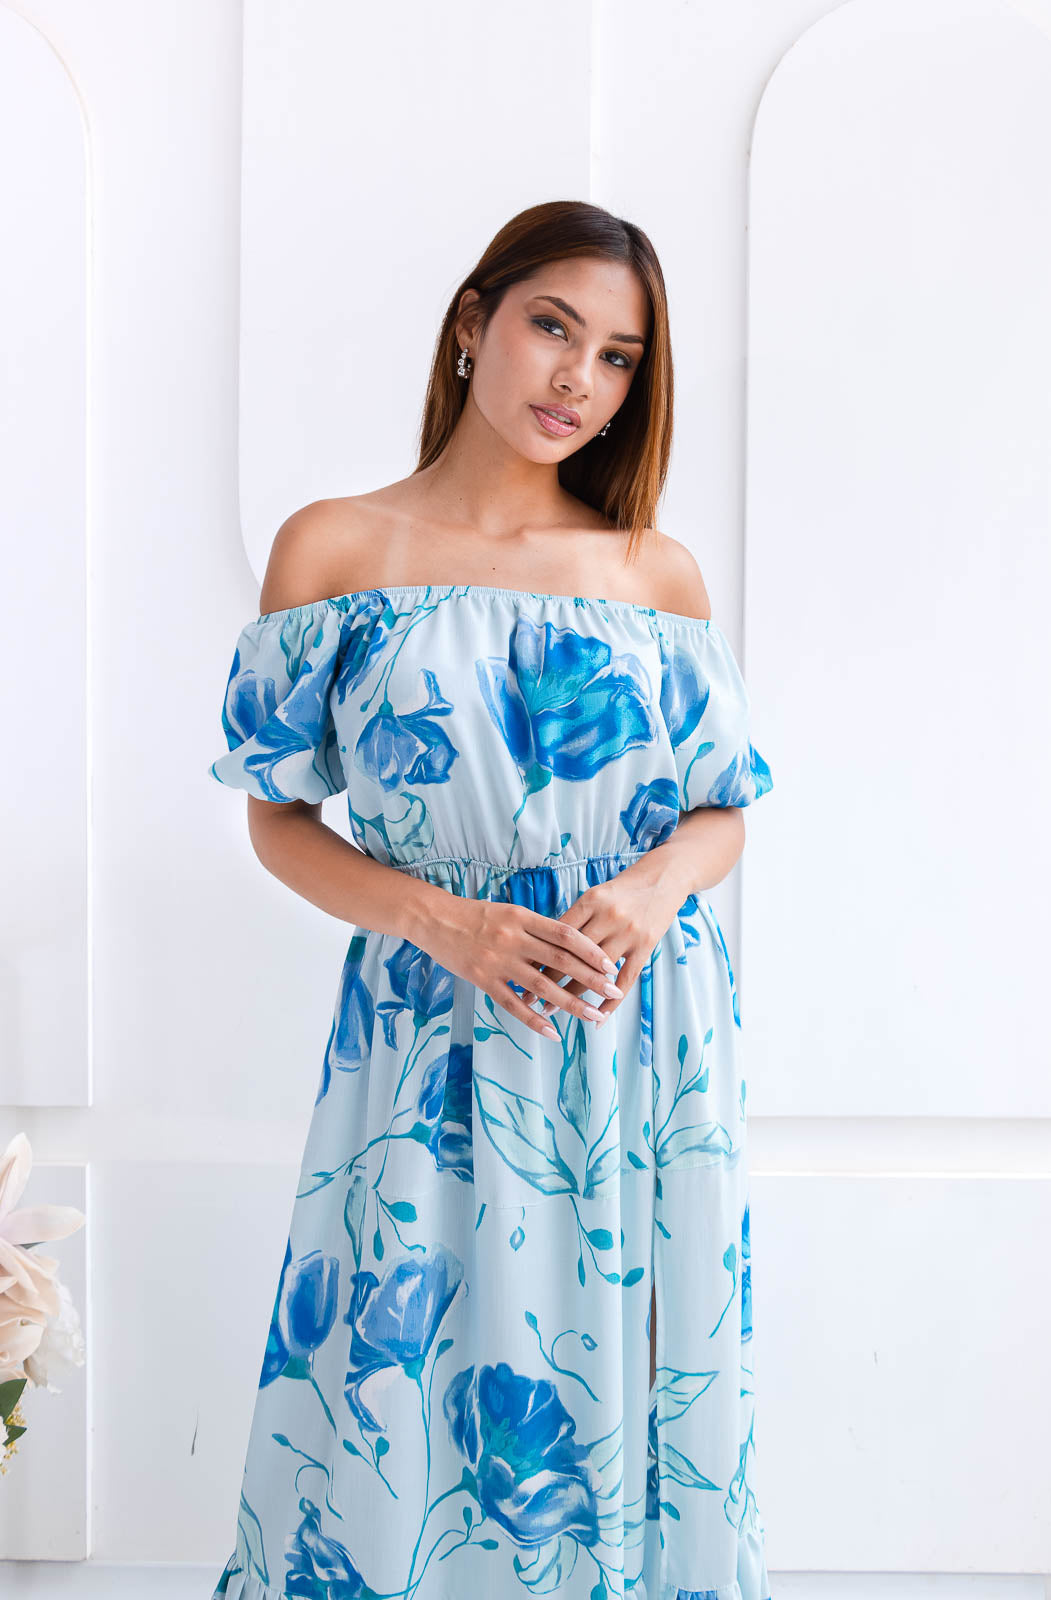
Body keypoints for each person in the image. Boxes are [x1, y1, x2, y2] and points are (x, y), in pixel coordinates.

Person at [208, 199, 774, 1600]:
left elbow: (723, 807)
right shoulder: (336, 550)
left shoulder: (651, 572)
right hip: (426, 1022)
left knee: (626, 1378)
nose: (579, 378)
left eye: (620, 357)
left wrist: (652, 887)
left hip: (638, 1033)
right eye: (553, 327)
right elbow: (276, 817)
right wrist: (439, 920)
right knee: (396, 1378)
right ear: (475, 321)